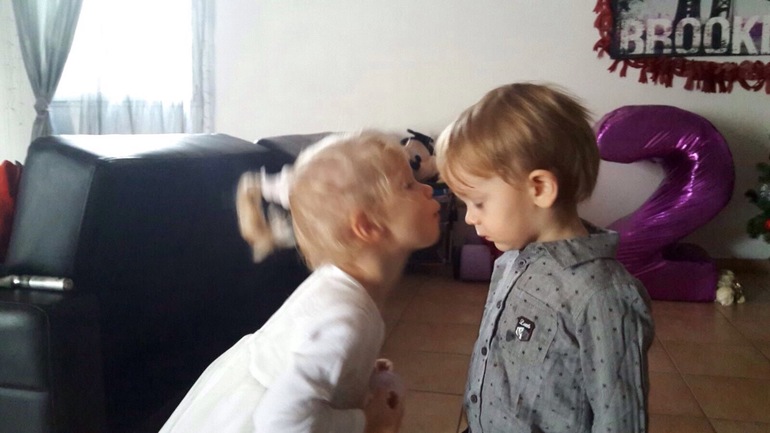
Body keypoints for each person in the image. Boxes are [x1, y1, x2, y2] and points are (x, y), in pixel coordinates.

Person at [159, 130, 442, 433]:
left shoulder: (341, 288)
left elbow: (306, 346)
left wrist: (359, 371)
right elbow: (281, 422)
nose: (427, 189)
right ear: (367, 226)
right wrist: (367, 422)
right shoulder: (347, 320)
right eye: (408, 185)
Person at [435, 82, 655, 433]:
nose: (470, 218)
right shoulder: (510, 261)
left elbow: (620, 417)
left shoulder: (601, 295)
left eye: (478, 203)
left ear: (539, 188)